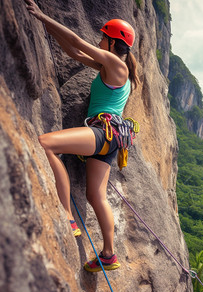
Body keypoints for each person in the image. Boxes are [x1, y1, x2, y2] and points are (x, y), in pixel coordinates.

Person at [24, 0, 140, 272]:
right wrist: (48, 30)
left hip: (101, 133)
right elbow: (73, 51)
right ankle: (109, 254)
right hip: (111, 141)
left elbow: (77, 40)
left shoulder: (114, 62)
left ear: (113, 43)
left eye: (103, 37)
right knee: (95, 195)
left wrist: (40, 15)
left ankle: (68, 216)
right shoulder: (113, 68)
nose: (99, 40)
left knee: (46, 144)